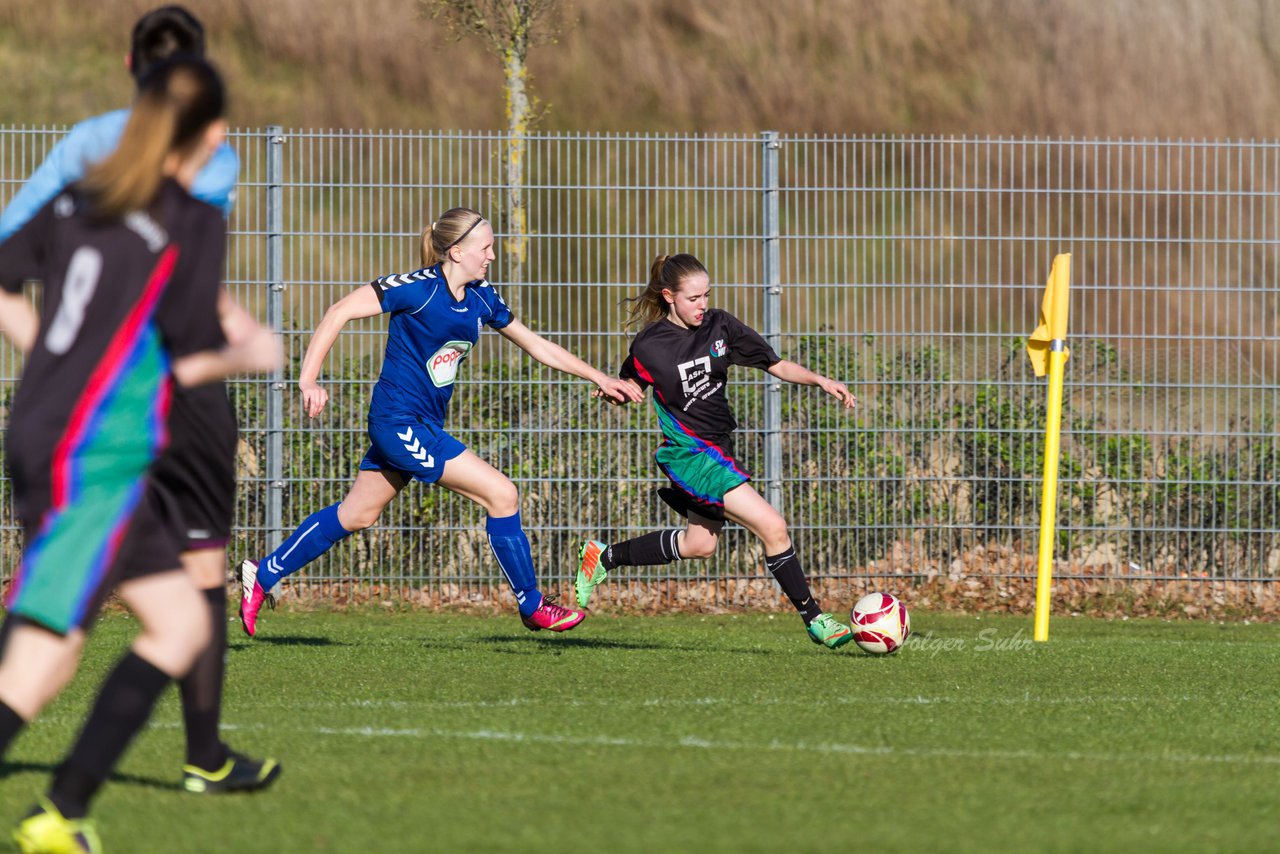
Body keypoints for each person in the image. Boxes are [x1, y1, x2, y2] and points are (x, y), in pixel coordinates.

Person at [0, 57, 281, 853]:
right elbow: (187, 357)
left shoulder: (84, 196)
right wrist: (251, 352)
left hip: (57, 433)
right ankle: (58, 814)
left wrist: (56, 359)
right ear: (215, 136)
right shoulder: (190, 219)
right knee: (39, 661)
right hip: (89, 451)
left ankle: (62, 811)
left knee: (180, 624)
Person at [238, 207, 644, 636]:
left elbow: (534, 344)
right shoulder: (417, 289)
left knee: (357, 514)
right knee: (502, 494)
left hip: (422, 424)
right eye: (484, 248)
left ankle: (260, 576)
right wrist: (308, 380)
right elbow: (338, 311)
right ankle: (532, 604)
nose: (491, 256)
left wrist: (599, 376)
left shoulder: (483, 296)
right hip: (398, 423)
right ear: (455, 251)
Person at [574, 253, 858, 649]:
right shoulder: (649, 345)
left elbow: (774, 364)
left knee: (699, 545)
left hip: (719, 448)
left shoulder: (720, 325)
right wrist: (615, 394)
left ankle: (602, 557)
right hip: (691, 454)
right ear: (669, 296)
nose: (702, 305)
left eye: (706, 295)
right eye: (693, 298)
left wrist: (821, 380)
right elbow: (627, 384)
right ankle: (815, 619)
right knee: (772, 526)